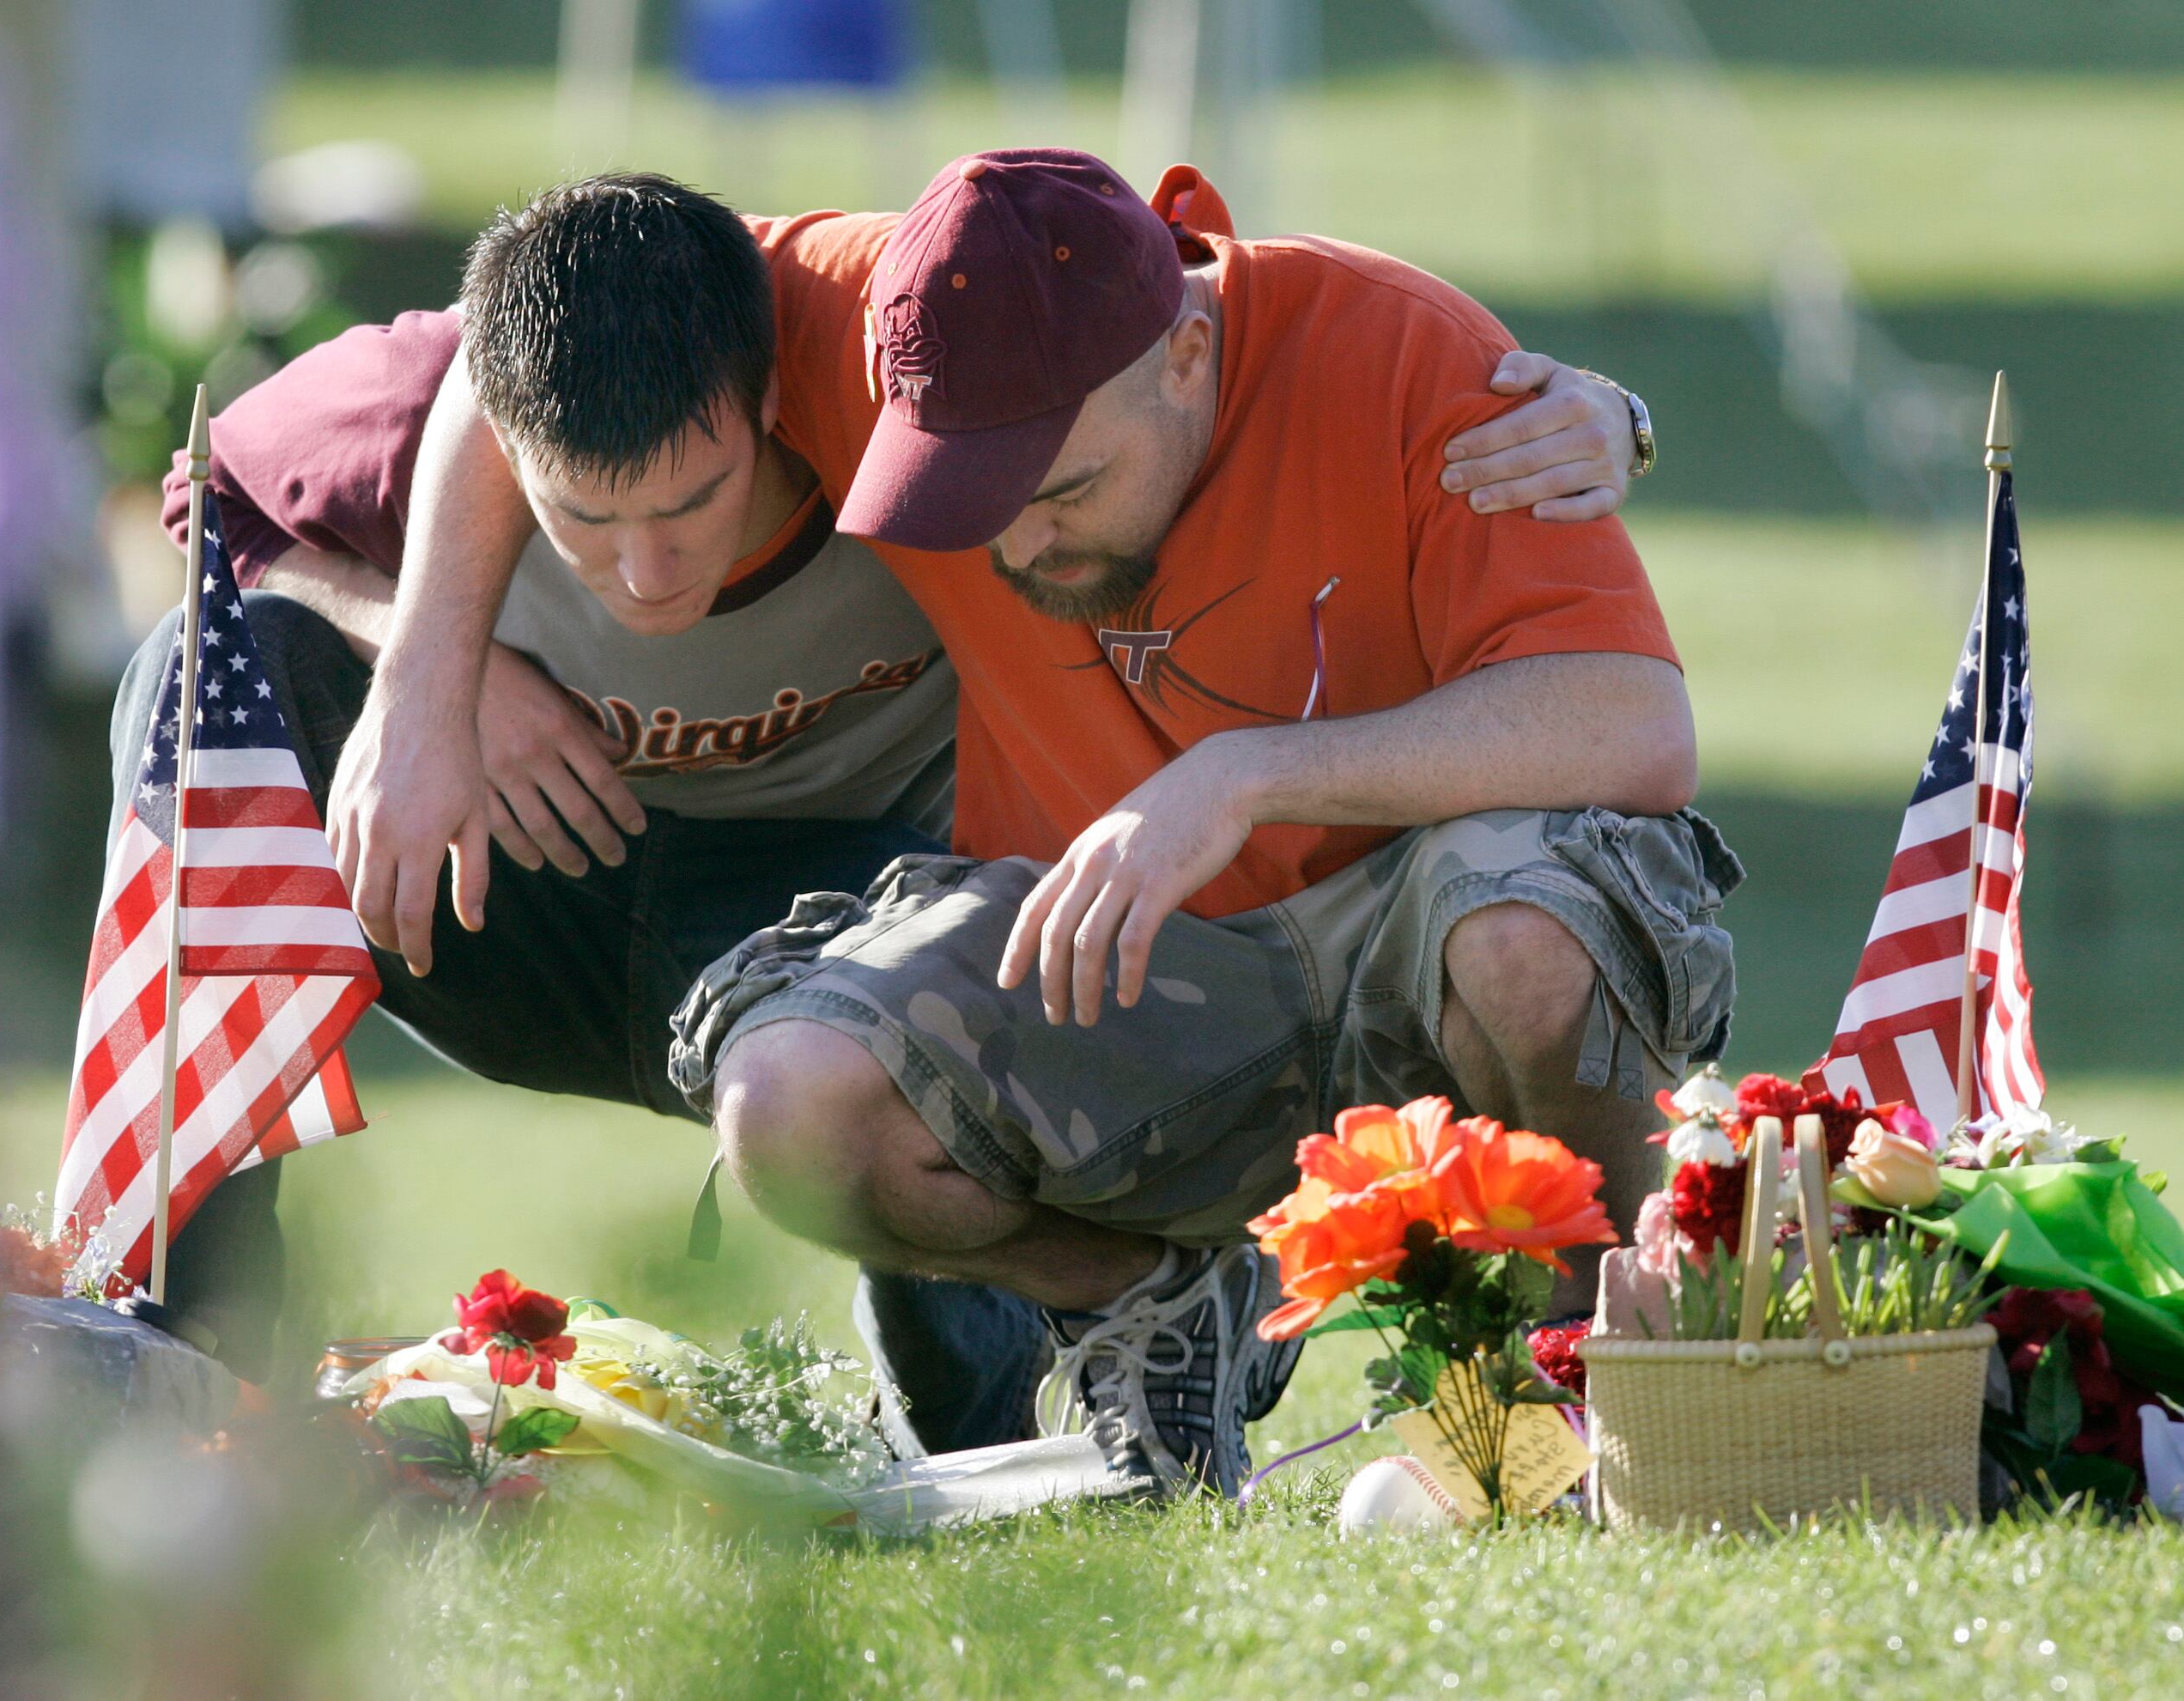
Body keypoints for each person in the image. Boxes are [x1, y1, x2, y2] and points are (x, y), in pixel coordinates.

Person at [135, 173, 1665, 1459]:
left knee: (1522, 934)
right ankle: (1142, 1303)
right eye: (967, 480)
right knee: (789, 1104)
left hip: (1293, 912)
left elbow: (1633, 724)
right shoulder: (892, 328)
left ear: (1188, 356)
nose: (1011, 524)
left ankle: (1595, 1383)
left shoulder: (1394, 357)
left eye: (1059, 481)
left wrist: (1247, 769)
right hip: (1041, 933)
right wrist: (428, 667)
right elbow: (528, 316)